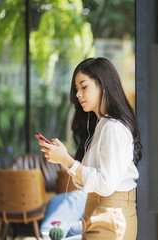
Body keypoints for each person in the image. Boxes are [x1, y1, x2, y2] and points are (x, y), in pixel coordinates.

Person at [38, 57, 142, 240]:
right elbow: (90, 181)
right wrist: (64, 160)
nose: (78, 94)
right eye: (77, 89)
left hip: (111, 213)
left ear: (103, 85)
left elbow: (105, 184)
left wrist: (66, 160)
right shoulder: (103, 125)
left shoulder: (113, 128)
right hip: (101, 210)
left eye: (83, 87)